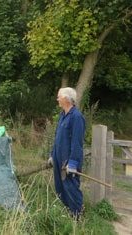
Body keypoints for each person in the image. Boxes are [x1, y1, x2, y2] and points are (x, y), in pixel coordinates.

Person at [49, 87, 85, 218]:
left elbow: (77, 142)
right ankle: (68, 213)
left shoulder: (76, 117)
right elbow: (57, 137)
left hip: (68, 161)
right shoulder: (62, 115)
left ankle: (78, 217)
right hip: (59, 158)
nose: (57, 99)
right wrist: (52, 155)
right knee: (60, 187)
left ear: (66, 99)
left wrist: (73, 163)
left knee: (70, 188)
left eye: (59, 96)